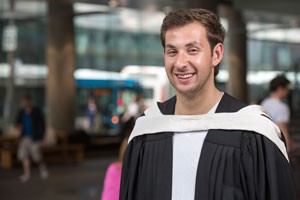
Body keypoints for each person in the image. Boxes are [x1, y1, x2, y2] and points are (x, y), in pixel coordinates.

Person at [119, 8, 297, 200]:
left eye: (192, 50)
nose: (180, 63)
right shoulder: (147, 130)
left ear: (216, 54)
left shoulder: (253, 131)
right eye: (172, 51)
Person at [15, 94, 48, 182]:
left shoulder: (36, 111)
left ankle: (42, 168)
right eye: (23, 101)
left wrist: (42, 137)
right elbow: (17, 123)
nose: (24, 103)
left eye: (26, 101)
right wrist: (19, 127)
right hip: (24, 137)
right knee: (24, 155)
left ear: (30, 101)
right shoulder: (21, 112)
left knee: (36, 156)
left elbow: (42, 125)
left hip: (35, 137)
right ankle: (27, 174)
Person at [261, 75, 295, 152]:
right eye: (287, 88)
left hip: (265, 145)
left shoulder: (264, 103)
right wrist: (287, 151)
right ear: (280, 88)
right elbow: (282, 130)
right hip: (277, 148)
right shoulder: (282, 107)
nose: (288, 91)